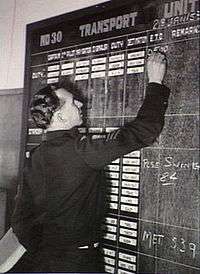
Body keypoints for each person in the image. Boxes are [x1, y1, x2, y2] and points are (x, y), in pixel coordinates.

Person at [11, 52, 170, 273]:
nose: (80, 104)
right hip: (78, 263)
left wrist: (46, 252)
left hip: (45, 260)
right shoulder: (80, 150)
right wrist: (155, 82)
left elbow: (20, 220)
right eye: (73, 102)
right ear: (60, 117)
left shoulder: (35, 156)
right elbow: (143, 131)